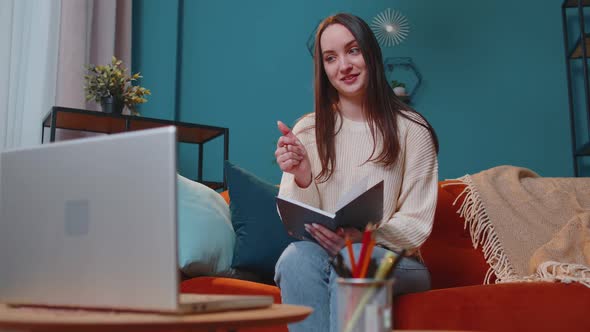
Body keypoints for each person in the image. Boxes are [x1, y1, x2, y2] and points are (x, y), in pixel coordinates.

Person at [273, 12, 439, 332]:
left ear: (370, 54)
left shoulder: (412, 129)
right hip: (325, 253)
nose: (344, 66)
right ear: (323, 69)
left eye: (353, 51)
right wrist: (303, 176)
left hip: (396, 261)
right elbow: (295, 220)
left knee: (355, 259)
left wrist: (364, 238)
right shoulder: (307, 130)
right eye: (331, 58)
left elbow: (417, 222)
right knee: (294, 259)